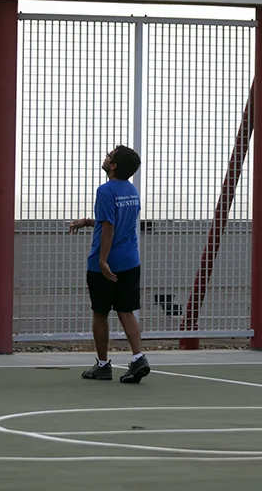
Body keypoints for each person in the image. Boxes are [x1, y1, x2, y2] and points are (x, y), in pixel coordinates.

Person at [68, 145, 150, 383]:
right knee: (126, 311)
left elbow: (109, 227)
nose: (105, 157)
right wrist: (87, 221)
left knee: (100, 312)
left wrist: (103, 260)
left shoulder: (105, 191)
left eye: (109, 156)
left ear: (113, 166)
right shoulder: (131, 191)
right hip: (130, 261)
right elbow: (116, 221)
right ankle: (138, 358)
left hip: (105, 263)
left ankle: (103, 365)